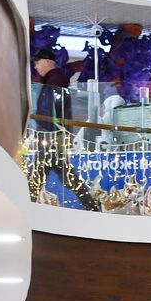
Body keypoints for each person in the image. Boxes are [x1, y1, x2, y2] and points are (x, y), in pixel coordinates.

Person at [28, 50, 101, 211]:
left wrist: (48, 128)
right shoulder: (50, 80)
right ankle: (91, 206)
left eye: (37, 62)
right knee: (61, 174)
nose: (35, 66)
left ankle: (27, 205)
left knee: (41, 173)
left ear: (47, 61)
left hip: (52, 135)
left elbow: (51, 109)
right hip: (52, 134)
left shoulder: (55, 79)